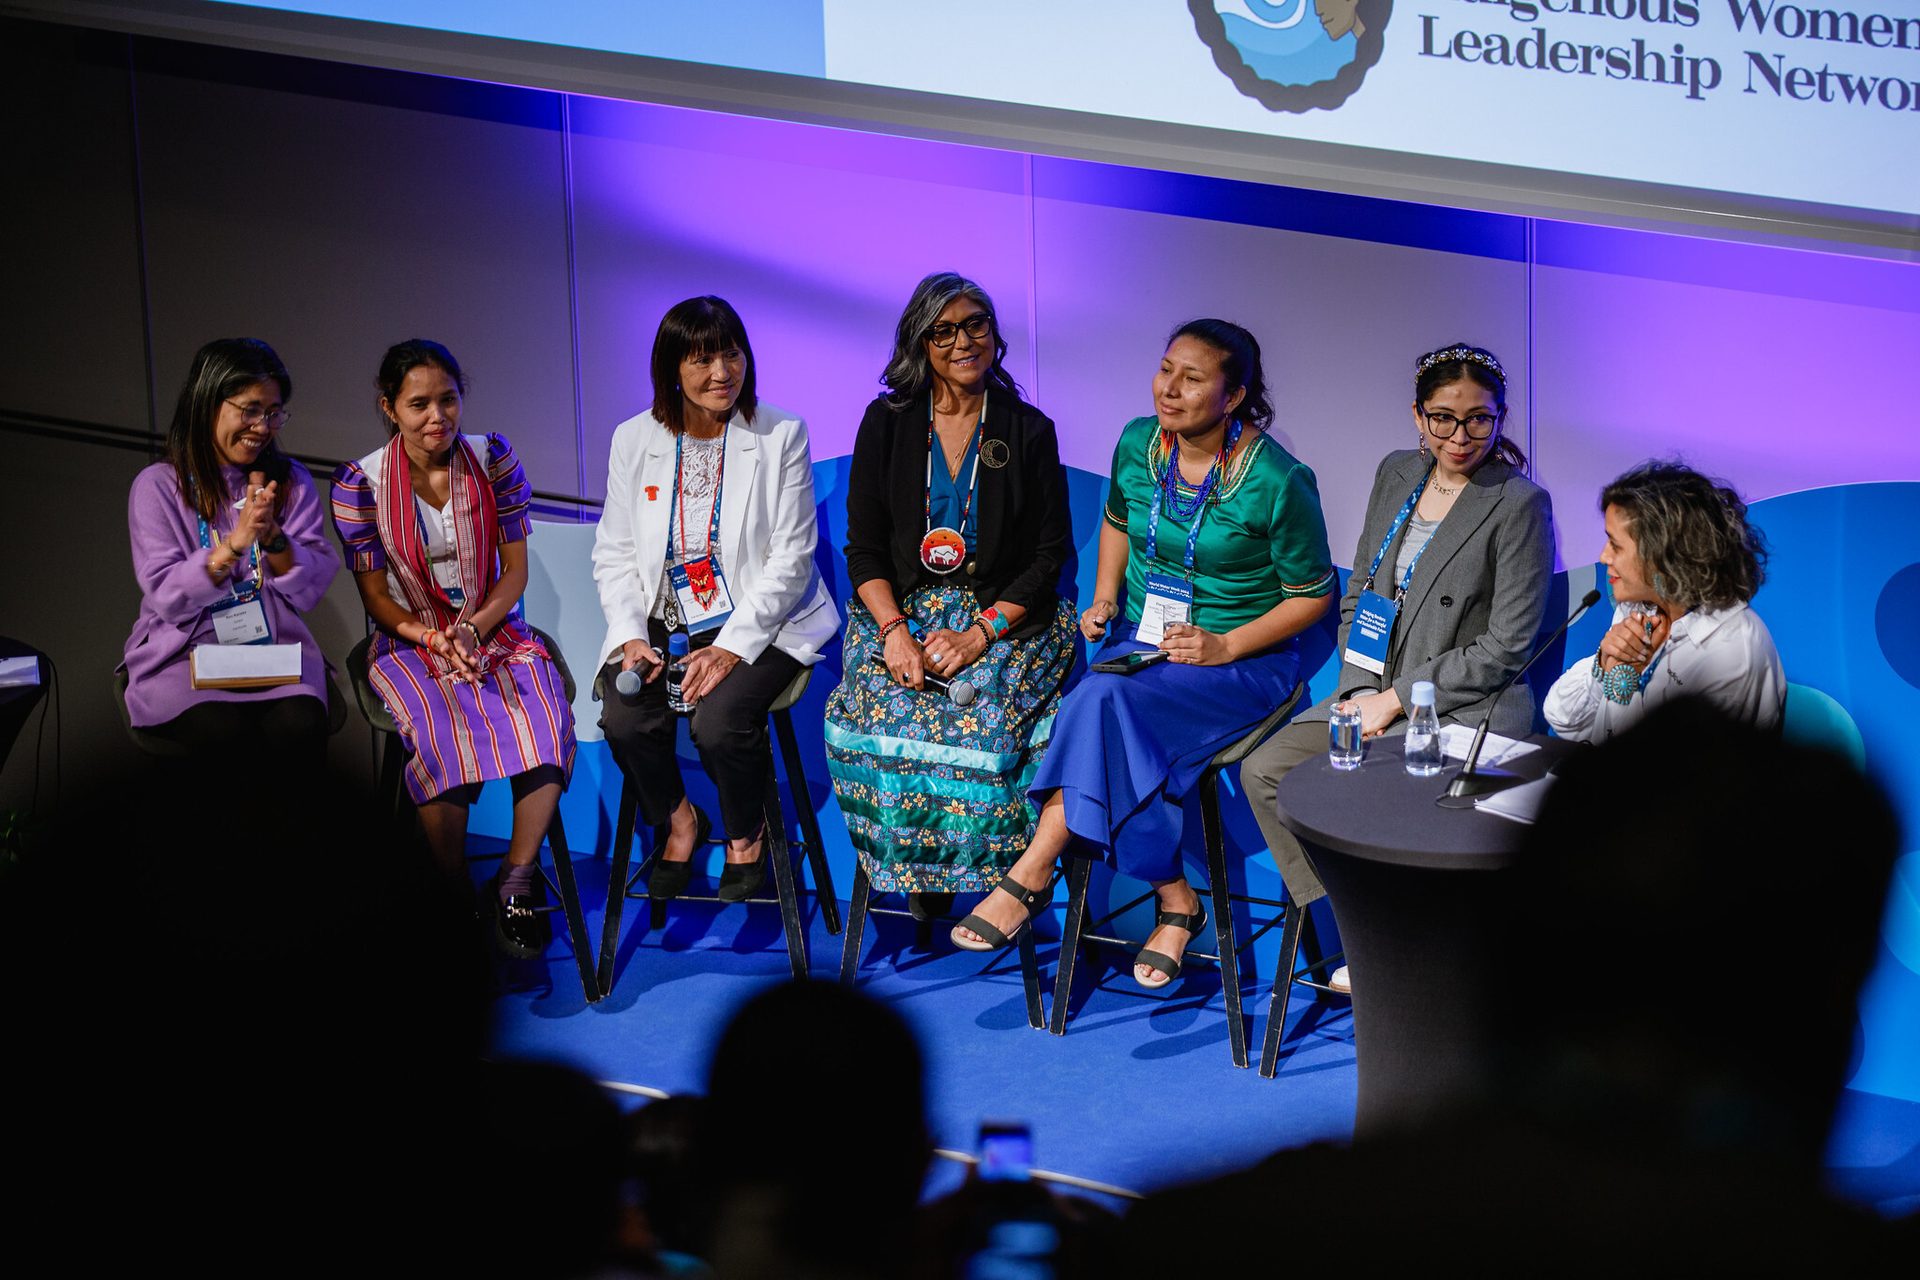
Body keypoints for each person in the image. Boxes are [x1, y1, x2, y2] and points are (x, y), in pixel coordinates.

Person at [953, 319, 1335, 991]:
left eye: (1193, 378)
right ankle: (1173, 897)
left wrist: (1225, 645)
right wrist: (1102, 599)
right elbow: (1119, 520)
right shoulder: (1138, 441)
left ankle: (1034, 870)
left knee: (1098, 702)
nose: (1171, 388)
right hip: (1145, 642)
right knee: (1109, 710)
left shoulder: (1278, 478)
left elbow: (1312, 596)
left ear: (1235, 394)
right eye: (1166, 370)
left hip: (1242, 663)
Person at [1239, 343, 1554, 993]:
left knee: (1393, 801)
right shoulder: (1395, 473)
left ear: (1500, 418)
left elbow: (1507, 647)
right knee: (1265, 770)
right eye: (1442, 418)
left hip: (1463, 706)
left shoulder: (1518, 503)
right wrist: (1359, 694)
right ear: (1417, 415)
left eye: (1478, 419)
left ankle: (1400, 947)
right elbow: (1361, 595)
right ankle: (1360, 926)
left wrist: (1398, 702)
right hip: (1371, 690)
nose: (1459, 435)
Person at [827, 272, 1076, 922]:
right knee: (869, 718)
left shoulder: (1025, 430)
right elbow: (865, 549)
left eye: (976, 325)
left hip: (1006, 619)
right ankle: (919, 867)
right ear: (921, 342)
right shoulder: (888, 423)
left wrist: (977, 635)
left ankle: (1002, 885)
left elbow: (1051, 558)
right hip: (902, 615)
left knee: (983, 723)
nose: (964, 341)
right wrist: (894, 633)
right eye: (945, 331)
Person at [331, 339, 576, 956]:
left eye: (448, 399)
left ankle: (515, 878)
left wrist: (474, 627)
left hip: (492, 625)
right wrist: (433, 635)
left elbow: (514, 572)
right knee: (439, 731)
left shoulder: (493, 458)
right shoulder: (359, 483)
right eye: (419, 405)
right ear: (389, 407)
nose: (437, 416)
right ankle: (449, 888)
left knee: (548, 718)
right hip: (408, 637)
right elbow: (376, 600)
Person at [593, 296, 838, 903]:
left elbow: (790, 561)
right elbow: (615, 553)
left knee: (719, 721)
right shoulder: (633, 438)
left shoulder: (782, 434)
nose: (722, 373)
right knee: (624, 719)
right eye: (702, 359)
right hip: (663, 620)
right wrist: (629, 637)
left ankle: (745, 833)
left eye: (732, 354)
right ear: (671, 368)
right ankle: (680, 820)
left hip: (766, 623)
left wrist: (728, 650)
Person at [120, 337, 339, 761]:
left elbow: (309, 589)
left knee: (302, 724)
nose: (263, 427)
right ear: (207, 402)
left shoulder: (289, 480)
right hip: (184, 658)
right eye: (250, 409)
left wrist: (273, 537)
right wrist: (236, 544)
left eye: (274, 413)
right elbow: (167, 595)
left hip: (272, 657)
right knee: (224, 735)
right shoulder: (159, 485)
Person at [1546, 460, 1783, 742]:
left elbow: (1670, 777)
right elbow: (1562, 719)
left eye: (1616, 545)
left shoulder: (1732, 647)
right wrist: (1604, 665)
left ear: (1664, 555)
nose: (1603, 557)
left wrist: (1632, 680)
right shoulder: (1637, 610)